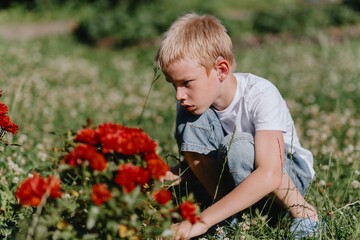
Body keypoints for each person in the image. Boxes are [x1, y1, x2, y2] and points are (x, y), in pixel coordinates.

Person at [155, 13, 320, 239]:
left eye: (186, 83)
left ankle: (304, 213)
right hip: (233, 177)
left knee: (239, 147)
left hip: (286, 178)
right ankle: (227, 218)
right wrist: (152, 178)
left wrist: (202, 221)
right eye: (173, 84)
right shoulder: (192, 106)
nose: (179, 94)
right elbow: (196, 161)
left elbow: (270, 173)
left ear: (221, 69)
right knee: (201, 128)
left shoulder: (260, 93)